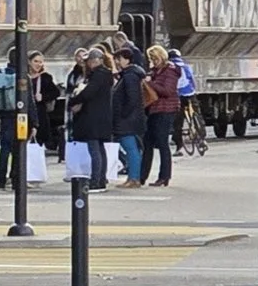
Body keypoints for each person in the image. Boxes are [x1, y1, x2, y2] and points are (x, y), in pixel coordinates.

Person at [68, 46, 115, 189]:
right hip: (102, 116)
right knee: (100, 149)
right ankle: (101, 179)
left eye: (89, 61)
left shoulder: (98, 75)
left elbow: (88, 93)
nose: (87, 64)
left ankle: (96, 180)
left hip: (93, 116)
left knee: (94, 149)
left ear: (96, 61)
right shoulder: (106, 75)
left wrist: (73, 100)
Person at [141, 41, 180, 186]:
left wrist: (150, 83)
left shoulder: (170, 71)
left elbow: (168, 91)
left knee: (162, 142)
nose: (153, 62)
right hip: (154, 109)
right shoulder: (155, 72)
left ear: (161, 57)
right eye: (151, 60)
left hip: (166, 109)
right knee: (147, 142)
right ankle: (142, 175)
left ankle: (164, 176)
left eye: (155, 59)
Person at [113, 43, 148, 186]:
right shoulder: (130, 75)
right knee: (131, 148)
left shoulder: (130, 76)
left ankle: (134, 178)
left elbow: (132, 98)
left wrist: (123, 114)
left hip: (128, 119)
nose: (117, 62)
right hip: (131, 118)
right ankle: (132, 177)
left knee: (130, 148)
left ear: (127, 60)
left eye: (119, 58)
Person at [0, 56, 19, 189]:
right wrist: (34, 122)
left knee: (4, 149)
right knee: (17, 150)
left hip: (4, 116)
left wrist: (0, 112)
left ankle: (1, 180)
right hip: (18, 117)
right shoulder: (22, 76)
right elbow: (28, 100)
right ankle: (14, 179)